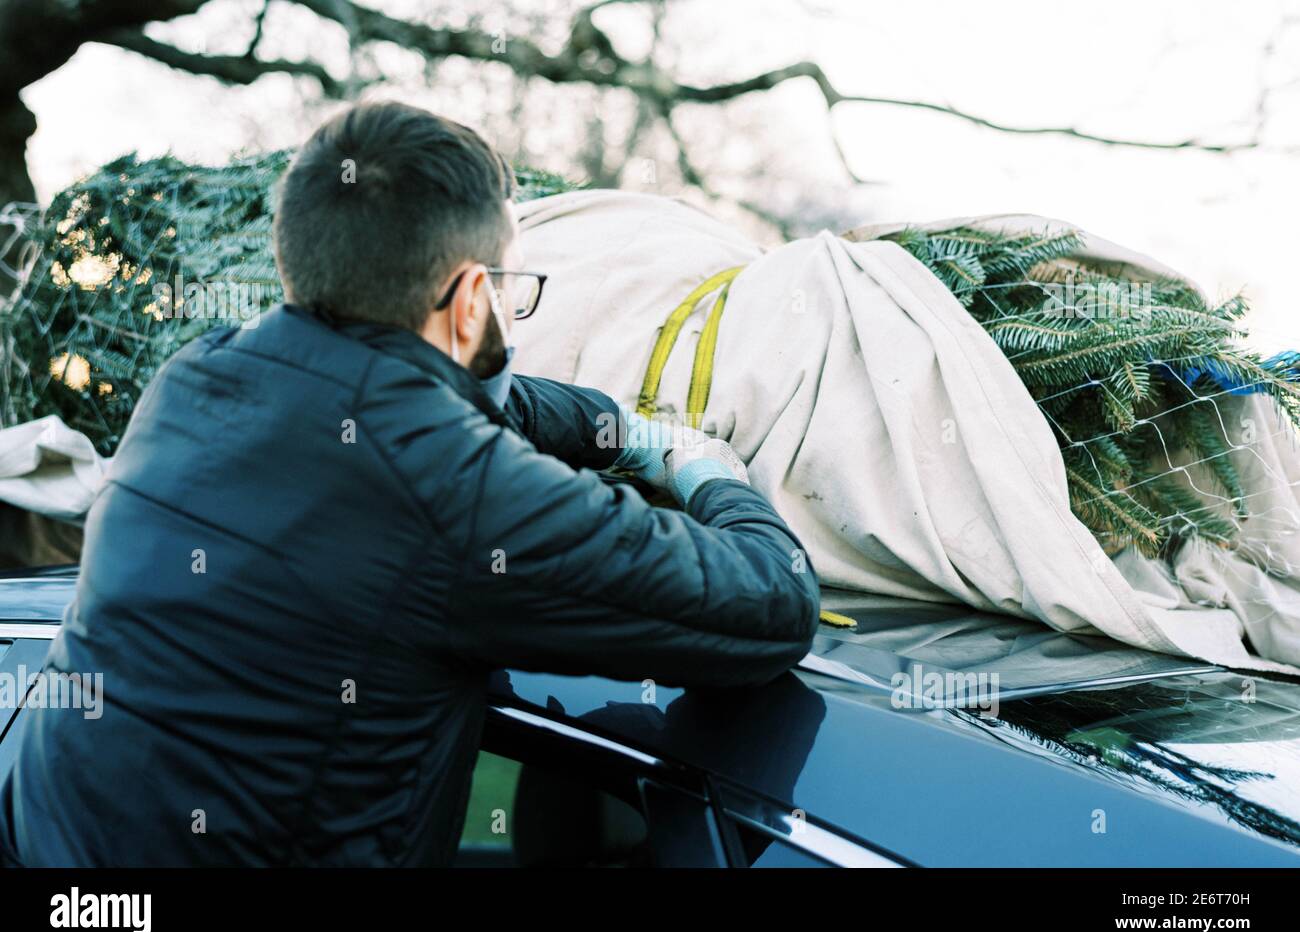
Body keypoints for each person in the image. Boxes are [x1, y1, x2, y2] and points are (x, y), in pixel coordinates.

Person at [0, 101, 819, 866]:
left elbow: (424, 404)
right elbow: (771, 603)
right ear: (471, 302)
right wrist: (710, 474)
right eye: (508, 290)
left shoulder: (193, 379)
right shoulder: (459, 500)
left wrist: (627, 432)